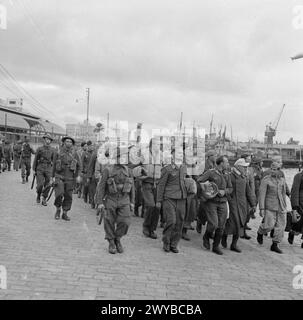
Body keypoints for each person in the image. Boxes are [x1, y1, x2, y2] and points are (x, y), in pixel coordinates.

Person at [95, 147, 135, 254]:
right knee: (109, 221)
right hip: (111, 199)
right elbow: (101, 187)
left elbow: (132, 188)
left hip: (124, 199)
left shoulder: (128, 171)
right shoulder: (108, 170)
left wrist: (132, 202)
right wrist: (99, 203)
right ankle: (111, 242)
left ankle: (118, 238)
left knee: (125, 221)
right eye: (121, 156)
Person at [198, 155, 233, 255]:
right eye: (226, 162)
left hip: (223, 202)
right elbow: (200, 181)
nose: (228, 164)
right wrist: (209, 188)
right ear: (221, 163)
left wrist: (224, 191)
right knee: (213, 223)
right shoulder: (211, 172)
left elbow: (230, 188)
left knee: (221, 226)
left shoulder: (227, 174)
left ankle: (216, 246)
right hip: (211, 202)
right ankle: (206, 236)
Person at [156, 148, 187, 253]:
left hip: (182, 198)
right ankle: (166, 242)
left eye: (182, 154)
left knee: (179, 222)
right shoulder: (167, 169)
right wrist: (159, 201)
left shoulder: (184, 167)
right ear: (172, 155)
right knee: (171, 221)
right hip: (169, 198)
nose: (180, 156)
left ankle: (174, 244)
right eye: (178, 153)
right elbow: (161, 185)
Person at [222, 159, 256, 252]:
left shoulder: (243, 178)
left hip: (242, 205)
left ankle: (234, 244)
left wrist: (253, 204)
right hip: (231, 204)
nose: (246, 168)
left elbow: (248, 192)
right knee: (232, 223)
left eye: (246, 167)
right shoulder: (229, 176)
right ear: (238, 167)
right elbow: (225, 188)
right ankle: (224, 236)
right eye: (244, 167)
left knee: (240, 224)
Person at [133, 138, 162, 239]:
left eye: (159, 144)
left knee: (157, 207)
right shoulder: (144, 155)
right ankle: (146, 227)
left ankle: (152, 229)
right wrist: (141, 175)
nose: (157, 146)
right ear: (150, 145)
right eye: (156, 144)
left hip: (157, 184)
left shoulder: (161, 156)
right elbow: (135, 168)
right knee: (150, 205)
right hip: (146, 183)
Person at [256, 161, 288, 254]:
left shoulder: (282, 180)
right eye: (272, 169)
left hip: (281, 206)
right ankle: (260, 231)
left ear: (279, 170)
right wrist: (261, 208)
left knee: (281, 226)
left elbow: (283, 193)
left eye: (276, 169)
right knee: (269, 225)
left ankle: (275, 244)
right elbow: (262, 195)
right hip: (269, 206)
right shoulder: (266, 180)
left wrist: (285, 205)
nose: (273, 171)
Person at [52, 136, 80, 221]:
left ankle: (65, 213)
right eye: (67, 141)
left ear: (72, 144)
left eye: (70, 142)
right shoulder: (58, 152)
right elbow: (53, 165)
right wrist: (51, 177)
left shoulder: (75, 154)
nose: (68, 143)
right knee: (59, 194)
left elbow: (79, 166)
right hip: (59, 177)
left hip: (70, 178)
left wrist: (78, 176)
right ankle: (58, 209)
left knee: (68, 196)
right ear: (64, 142)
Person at [32, 134, 56, 206]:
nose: (47, 141)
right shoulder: (39, 149)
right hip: (40, 168)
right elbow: (36, 159)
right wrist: (34, 169)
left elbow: (54, 161)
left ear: (50, 141)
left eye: (49, 139)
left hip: (49, 168)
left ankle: (44, 198)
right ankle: (38, 195)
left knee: (48, 184)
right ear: (44, 140)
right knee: (40, 185)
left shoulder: (53, 150)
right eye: (46, 139)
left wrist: (54, 172)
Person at [289, 169, 303, 248]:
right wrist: (295, 206)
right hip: (300, 204)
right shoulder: (298, 176)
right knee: (297, 223)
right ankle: (292, 232)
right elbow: (294, 191)